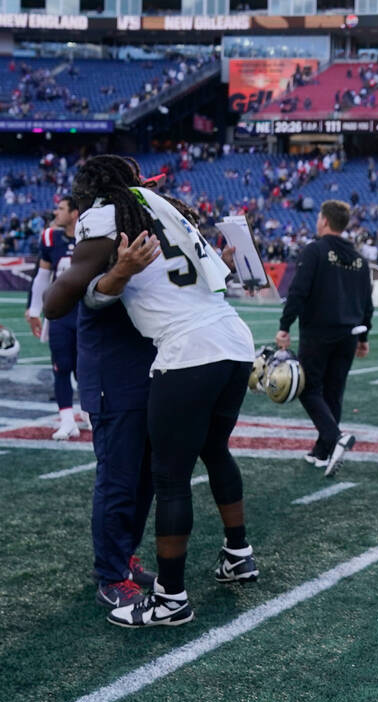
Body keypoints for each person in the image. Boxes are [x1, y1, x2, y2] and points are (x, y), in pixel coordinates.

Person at [47, 155, 259, 628]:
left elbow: (60, 300)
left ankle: (167, 596)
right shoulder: (161, 207)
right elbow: (69, 300)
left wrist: (112, 277)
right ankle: (120, 568)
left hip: (181, 350)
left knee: (162, 477)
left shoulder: (114, 214)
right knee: (146, 469)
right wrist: (114, 278)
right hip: (224, 341)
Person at [44, 229, 162, 611]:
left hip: (145, 374)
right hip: (114, 380)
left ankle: (124, 556)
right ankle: (110, 574)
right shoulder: (96, 244)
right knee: (117, 481)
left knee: (144, 479)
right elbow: (63, 299)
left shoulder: (141, 240)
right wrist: (121, 270)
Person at [275, 200, 373, 478]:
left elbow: (298, 291)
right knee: (334, 392)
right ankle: (323, 450)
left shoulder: (315, 250)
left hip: (319, 331)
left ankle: (333, 436)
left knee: (307, 388)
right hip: (349, 334)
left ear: (324, 221)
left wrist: (285, 326)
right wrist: (365, 335)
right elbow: (367, 302)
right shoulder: (359, 259)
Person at [25, 198, 88, 440]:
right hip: (60, 313)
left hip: (86, 313)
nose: (56, 212)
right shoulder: (51, 237)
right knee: (61, 366)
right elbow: (42, 276)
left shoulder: (91, 236)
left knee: (87, 368)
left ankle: (88, 414)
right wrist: (33, 310)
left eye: (61, 208)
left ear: (74, 213)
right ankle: (67, 419)